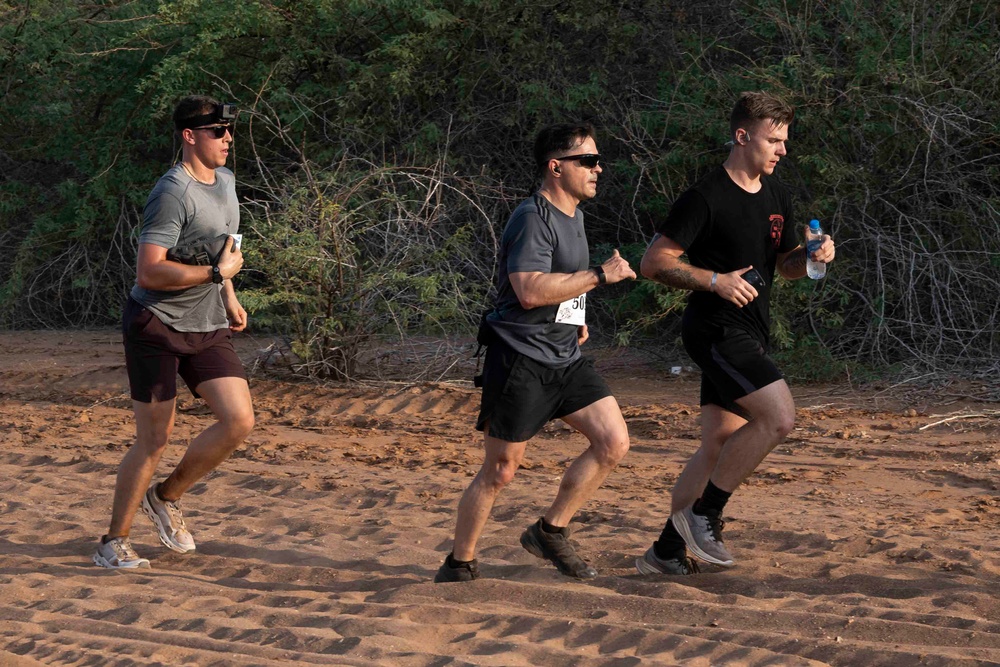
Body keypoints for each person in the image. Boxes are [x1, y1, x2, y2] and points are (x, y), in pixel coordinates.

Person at [635, 92, 836, 575]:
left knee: (718, 445)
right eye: (774, 140)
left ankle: (664, 551)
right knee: (779, 418)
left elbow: (784, 267)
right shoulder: (706, 197)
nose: (783, 150)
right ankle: (705, 517)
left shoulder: (776, 194)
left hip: (751, 329)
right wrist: (713, 280)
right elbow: (652, 263)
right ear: (743, 137)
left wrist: (810, 255)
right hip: (715, 329)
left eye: (785, 140)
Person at [435, 123, 637, 582]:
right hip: (521, 358)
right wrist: (600, 276)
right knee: (501, 470)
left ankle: (550, 531)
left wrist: (575, 316)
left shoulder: (576, 216)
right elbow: (527, 290)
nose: (597, 168)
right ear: (555, 166)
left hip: (564, 356)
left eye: (597, 160)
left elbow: (562, 280)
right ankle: (459, 563)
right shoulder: (532, 217)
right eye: (587, 160)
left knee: (613, 441)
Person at [93, 95, 254, 569]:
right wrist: (214, 277)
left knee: (238, 420)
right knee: (154, 439)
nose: (228, 139)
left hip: (207, 323)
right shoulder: (172, 193)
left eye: (229, 130)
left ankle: (165, 497)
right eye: (217, 132)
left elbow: (227, 247)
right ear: (189, 137)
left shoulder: (225, 182)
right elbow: (149, 272)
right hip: (156, 325)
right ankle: (112, 541)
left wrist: (228, 296)